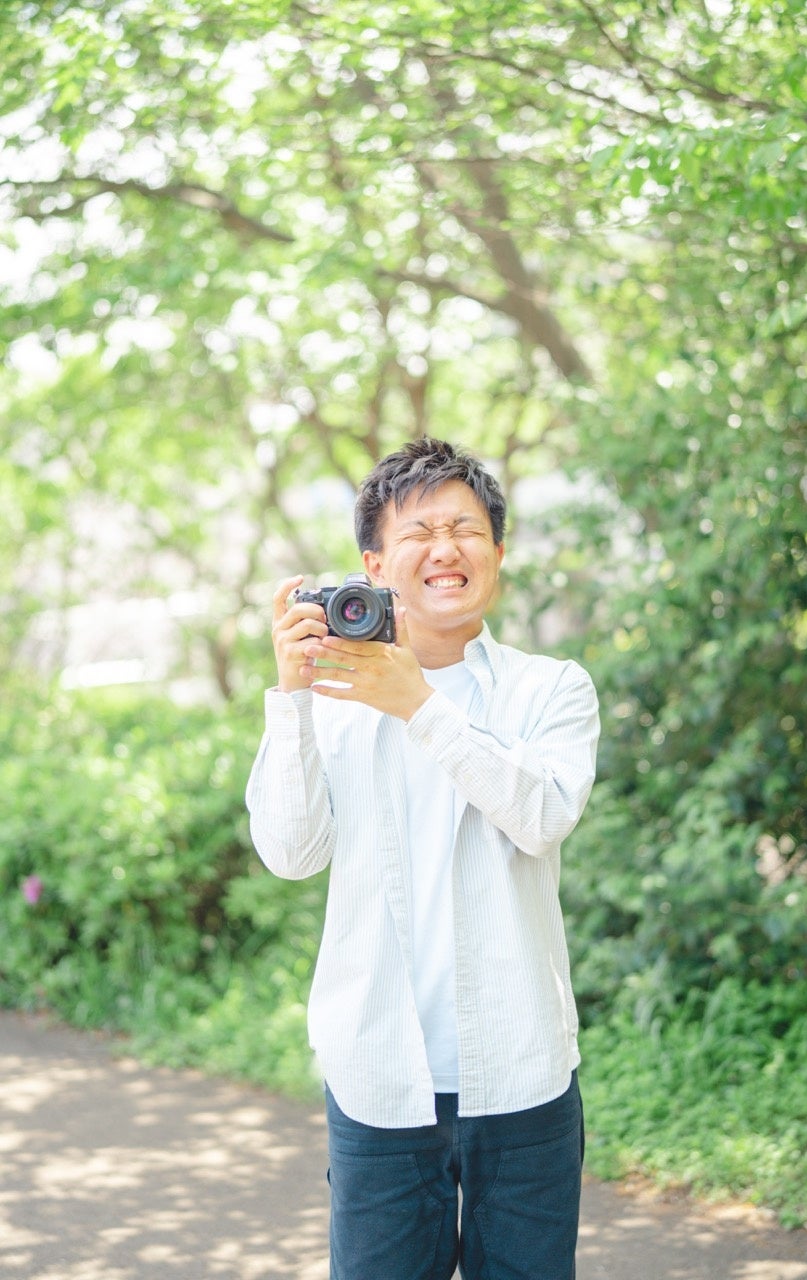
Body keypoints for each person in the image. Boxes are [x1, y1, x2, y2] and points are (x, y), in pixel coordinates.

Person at [245, 437, 600, 1280]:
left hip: (522, 1072)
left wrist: (419, 704)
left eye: (465, 529)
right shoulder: (329, 702)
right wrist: (292, 696)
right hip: (379, 1077)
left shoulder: (551, 687)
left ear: (497, 553)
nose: (445, 549)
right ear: (373, 566)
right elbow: (291, 854)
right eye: (418, 532)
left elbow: (542, 816)